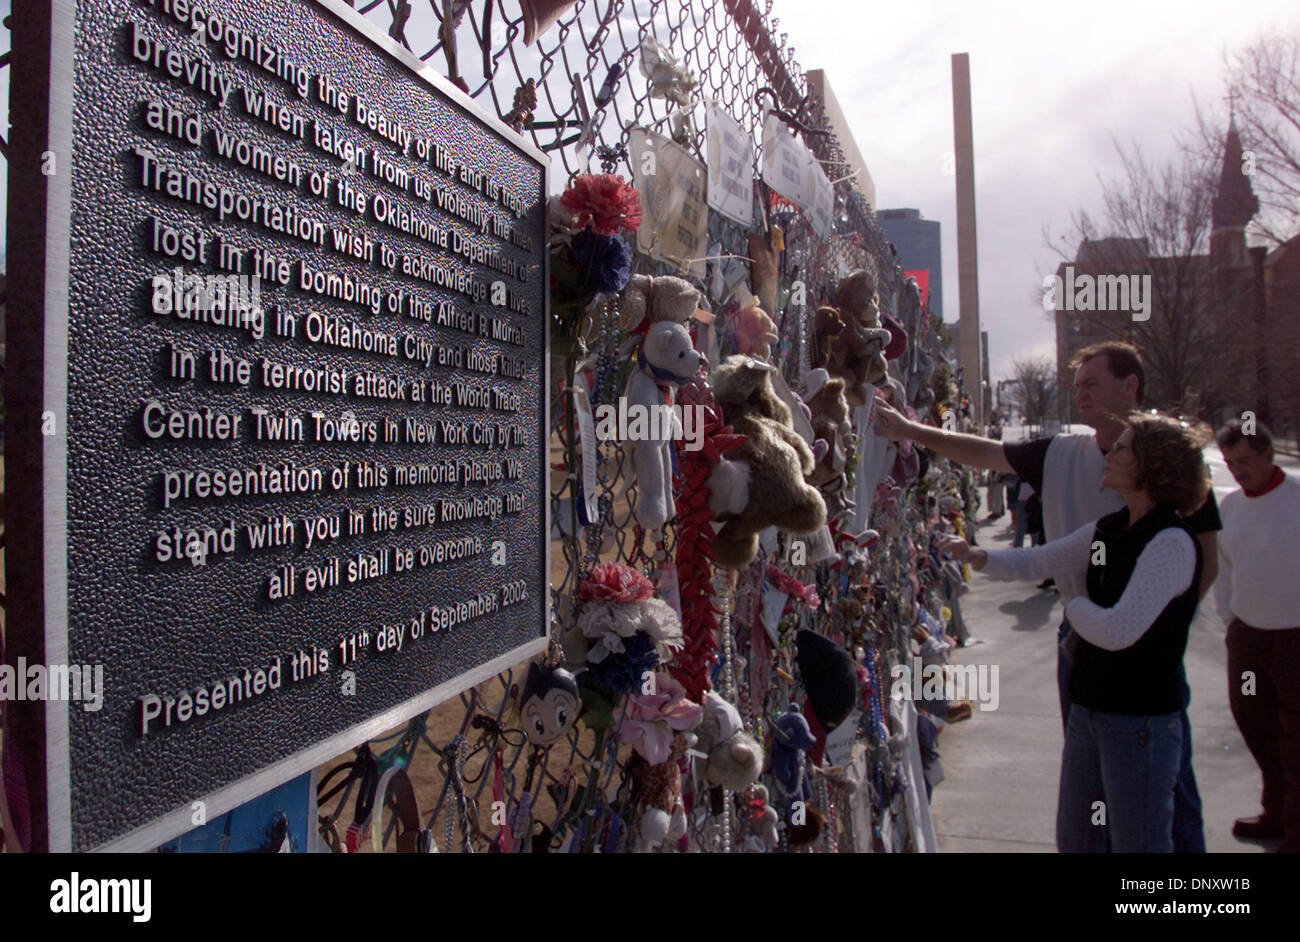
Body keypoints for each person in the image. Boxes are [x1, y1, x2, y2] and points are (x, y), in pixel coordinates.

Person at [874, 341, 1220, 852]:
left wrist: (1111, 615)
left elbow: (1150, 605)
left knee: (1156, 819)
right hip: (1089, 672)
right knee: (1087, 820)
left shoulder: (1170, 525)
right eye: (1076, 386)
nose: (1080, 397)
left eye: (1092, 385)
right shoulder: (1092, 497)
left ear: (1131, 387)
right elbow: (1041, 551)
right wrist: (981, 556)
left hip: (1138, 687)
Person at [941, 413, 1212, 852]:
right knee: (1080, 839)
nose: (1110, 452)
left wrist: (1075, 604)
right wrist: (976, 555)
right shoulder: (1112, 528)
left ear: (1151, 466)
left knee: (1138, 842)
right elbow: (1040, 561)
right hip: (1090, 710)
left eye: (1122, 448)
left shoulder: (1170, 541)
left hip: (1139, 722)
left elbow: (1118, 630)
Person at [1214, 418, 1300, 853]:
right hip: (1249, 641)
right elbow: (1224, 570)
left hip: (1295, 640)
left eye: (1245, 460)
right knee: (1256, 723)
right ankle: (1276, 812)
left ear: (1268, 455)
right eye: (1229, 462)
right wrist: (1231, 619)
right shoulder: (1229, 508)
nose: (1237, 470)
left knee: (1296, 735)